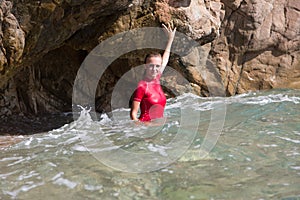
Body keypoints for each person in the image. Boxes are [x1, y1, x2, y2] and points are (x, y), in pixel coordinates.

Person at [130, 23, 176, 122]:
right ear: (146, 66)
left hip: (158, 126)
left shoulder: (157, 78)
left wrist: (170, 39)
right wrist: (143, 128)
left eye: (157, 66)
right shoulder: (142, 86)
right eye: (151, 66)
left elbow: (165, 59)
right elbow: (133, 114)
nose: (154, 69)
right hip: (147, 128)